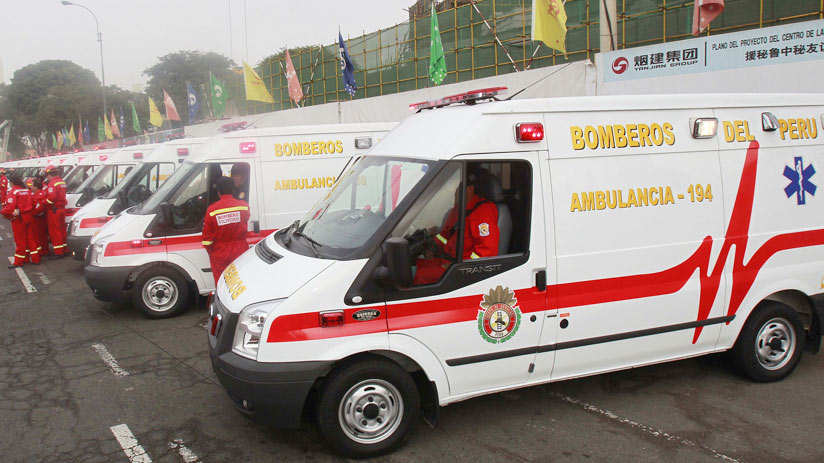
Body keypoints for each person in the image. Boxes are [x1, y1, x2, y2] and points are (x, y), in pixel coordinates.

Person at [413, 171, 500, 285]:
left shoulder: (483, 211)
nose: (455, 192)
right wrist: (431, 249)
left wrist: (460, 266)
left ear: (469, 189)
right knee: (414, 265)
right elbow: (445, 234)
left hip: (463, 268)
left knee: (420, 276)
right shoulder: (459, 208)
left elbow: (487, 252)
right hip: (447, 259)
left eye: (458, 188)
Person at [202, 176, 250, 283]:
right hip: (240, 249)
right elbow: (244, 221)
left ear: (218, 192)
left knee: (223, 284)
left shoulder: (212, 210)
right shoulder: (244, 206)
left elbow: (207, 240)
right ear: (233, 190)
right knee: (242, 283)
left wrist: (213, 252)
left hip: (220, 253)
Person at [1, 174, 36, 268]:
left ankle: (18, 262)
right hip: (28, 217)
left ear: (11, 183)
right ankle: (34, 259)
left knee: (20, 241)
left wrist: (3, 213)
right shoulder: (27, 191)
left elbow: (10, 207)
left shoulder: (13, 192)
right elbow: (34, 203)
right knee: (30, 239)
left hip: (19, 219)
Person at [44, 165, 69, 258]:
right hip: (62, 208)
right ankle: (65, 249)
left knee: (55, 231)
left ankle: (58, 252)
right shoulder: (62, 182)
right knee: (62, 230)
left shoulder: (52, 183)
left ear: (49, 174)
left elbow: (51, 198)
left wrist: (44, 203)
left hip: (54, 210)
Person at [30, 178, 50, 257]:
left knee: (41, 235)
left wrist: (31, 213)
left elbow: (40, 208)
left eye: (32, 186)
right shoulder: (35, 194)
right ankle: (41, 250)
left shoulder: (40, 195)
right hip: (36, 218)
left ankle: (44, 251)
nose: (30, 187)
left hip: (39, 219)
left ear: (36, 187)